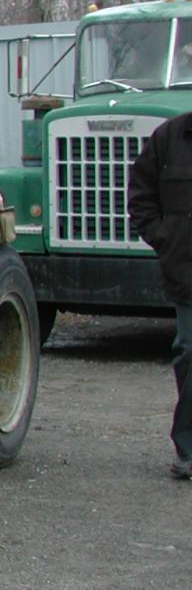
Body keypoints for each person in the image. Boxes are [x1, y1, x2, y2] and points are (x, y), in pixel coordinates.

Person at [128, 110, 192, 478]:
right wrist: (166, 239)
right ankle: (188, 448)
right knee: (190, 352)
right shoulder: (170, 137)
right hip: (186, 269)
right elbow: (141, 194)